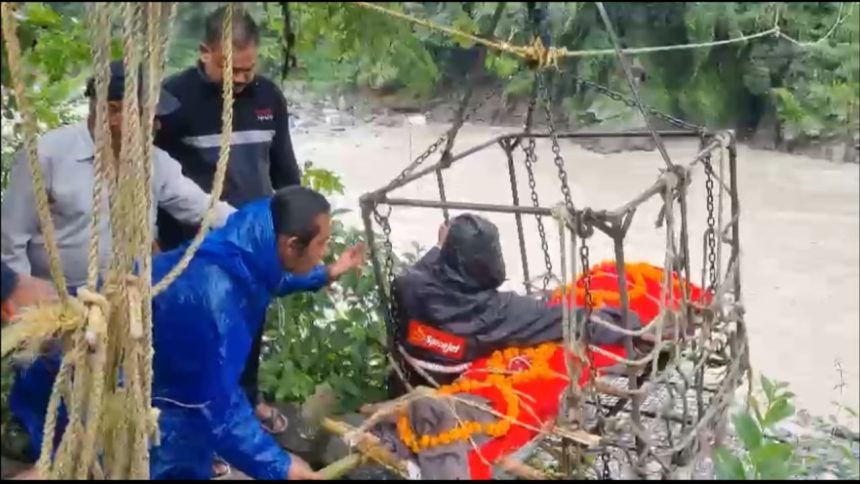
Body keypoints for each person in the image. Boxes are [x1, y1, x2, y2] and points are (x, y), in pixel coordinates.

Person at [12, 186, 365, 480]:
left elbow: (273, 279)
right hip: (88, 381)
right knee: (95, 464)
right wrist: (281, 466)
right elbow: (215, 407)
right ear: (291, 244)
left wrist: (327, 273)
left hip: (145, 377)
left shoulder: (246, 246)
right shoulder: (213, 299)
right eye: (323, 244)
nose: (324, 252)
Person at [154, 6, 303, 441]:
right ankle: (205, 432)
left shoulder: (267, 97)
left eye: (248, 69)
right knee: (201, 338)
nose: (241, 79)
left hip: (257, 243)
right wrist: (157, 241)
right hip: (195, 248)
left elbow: (285, 171)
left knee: (251, 330)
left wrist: (298, 229)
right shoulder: (173, 101)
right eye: (230, 68)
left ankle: (248, 401)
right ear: (205, 52)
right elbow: (153, 181)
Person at [0, 59, 236, 291]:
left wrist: (262, 222)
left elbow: (203, 207)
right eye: (148, 116)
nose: (157, 127)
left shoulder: (155, 162)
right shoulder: (45, 156)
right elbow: (10, 240)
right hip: (57, 301)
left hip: (128, 294)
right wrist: (23, 298)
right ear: (112, 110)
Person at [387, 213, 644, 397]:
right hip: (453, 387)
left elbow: (417, 276)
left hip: (413, 379)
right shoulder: (498, 312)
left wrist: (440, 248)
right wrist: (631, 324)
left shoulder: (409, 288)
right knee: (551, 318)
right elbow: (570, 320)